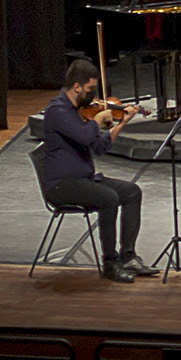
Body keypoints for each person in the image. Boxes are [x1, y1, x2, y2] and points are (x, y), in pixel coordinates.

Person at [36, 59, 148, 282]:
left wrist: (121, 123)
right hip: (62, 185)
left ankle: (128, 256)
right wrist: (97, 120)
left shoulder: (79, 112)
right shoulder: (57, 110)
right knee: (109, 198)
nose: (93, 95)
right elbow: (87, 136)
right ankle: (110, 262)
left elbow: (99, 146)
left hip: (84, 179)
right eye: (90, 90)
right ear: (76, 86)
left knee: (132, 191)